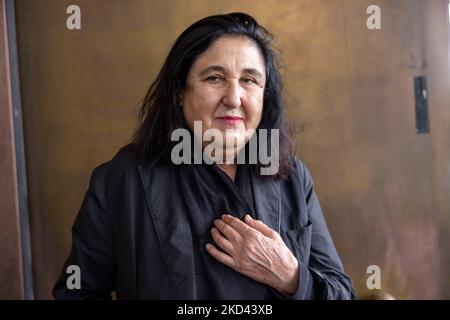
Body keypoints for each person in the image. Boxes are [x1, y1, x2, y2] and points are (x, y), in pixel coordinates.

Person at [53, 12, 355, 300]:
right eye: (214, 78)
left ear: (265, 96)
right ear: (180, 92)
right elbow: (78, 291)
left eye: (249, 80)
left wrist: (290, 276)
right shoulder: (122, 179)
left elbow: (341, 291)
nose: (233, 98)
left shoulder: (291, 175)